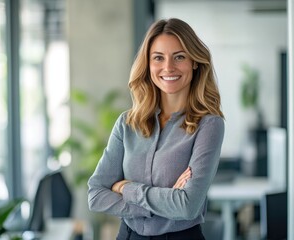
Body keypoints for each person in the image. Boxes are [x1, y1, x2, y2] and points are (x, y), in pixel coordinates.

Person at [87, 18, 224, 240]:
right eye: (158, 58)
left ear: (194, 62)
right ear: (148, 65)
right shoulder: (127, 123)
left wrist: (126, 188)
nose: (168, 67)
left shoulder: (209, 125)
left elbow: (187, 206)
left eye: (179, 57)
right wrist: (165, 202)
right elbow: (95, 195)